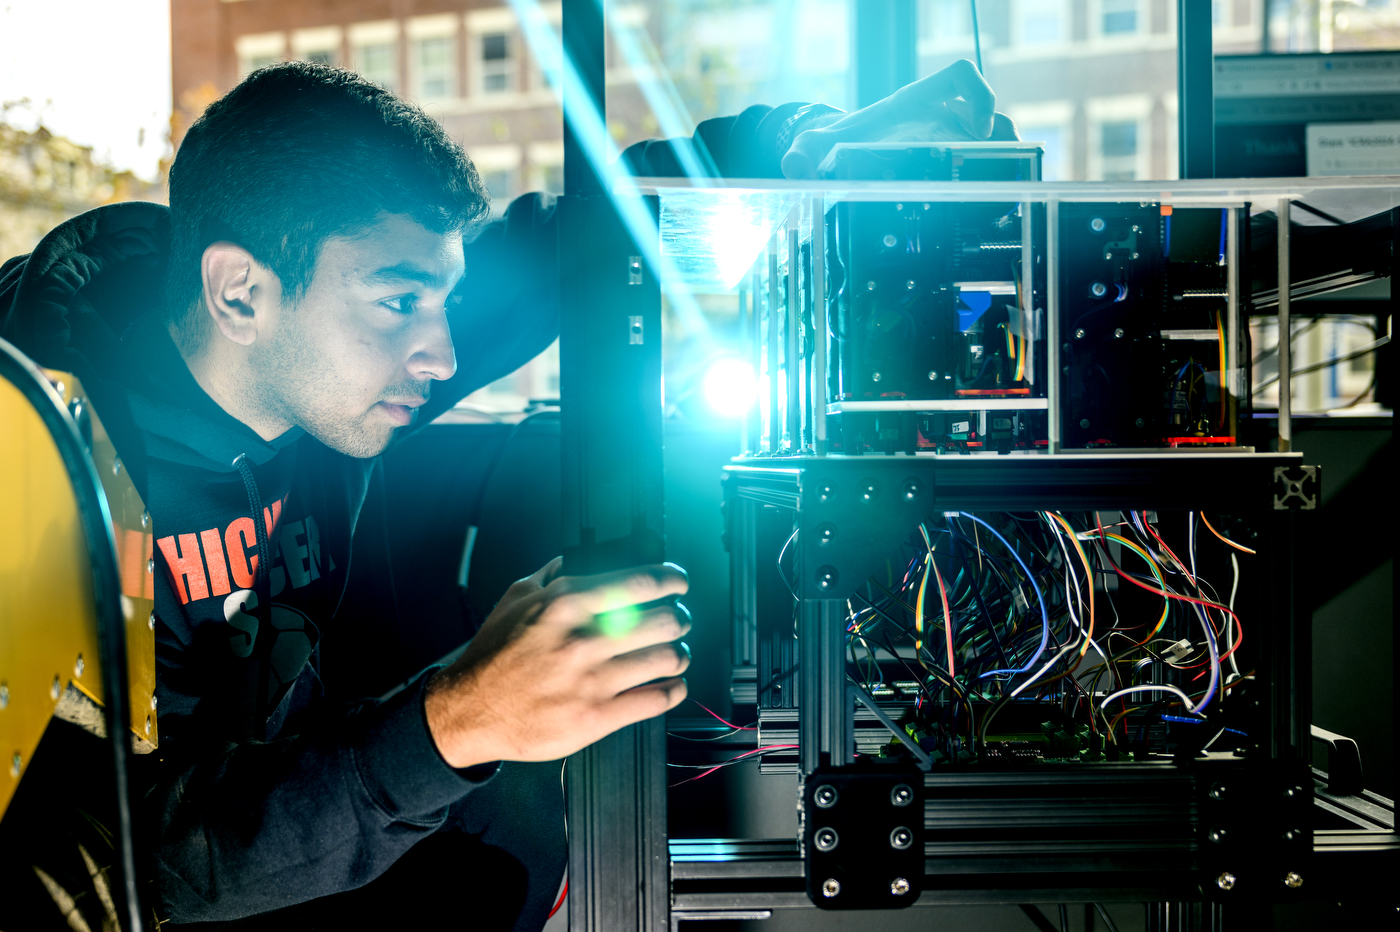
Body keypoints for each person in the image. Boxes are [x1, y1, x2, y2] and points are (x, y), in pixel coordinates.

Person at [0, 59, 1009, 930]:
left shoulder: (306, 341)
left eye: (441, 298)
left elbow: (562, 245)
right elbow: (116, 863)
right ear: (239, 292)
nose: (439, 352)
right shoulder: (34, 469)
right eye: (402, 301)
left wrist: (800, 143)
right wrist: (456, 719)